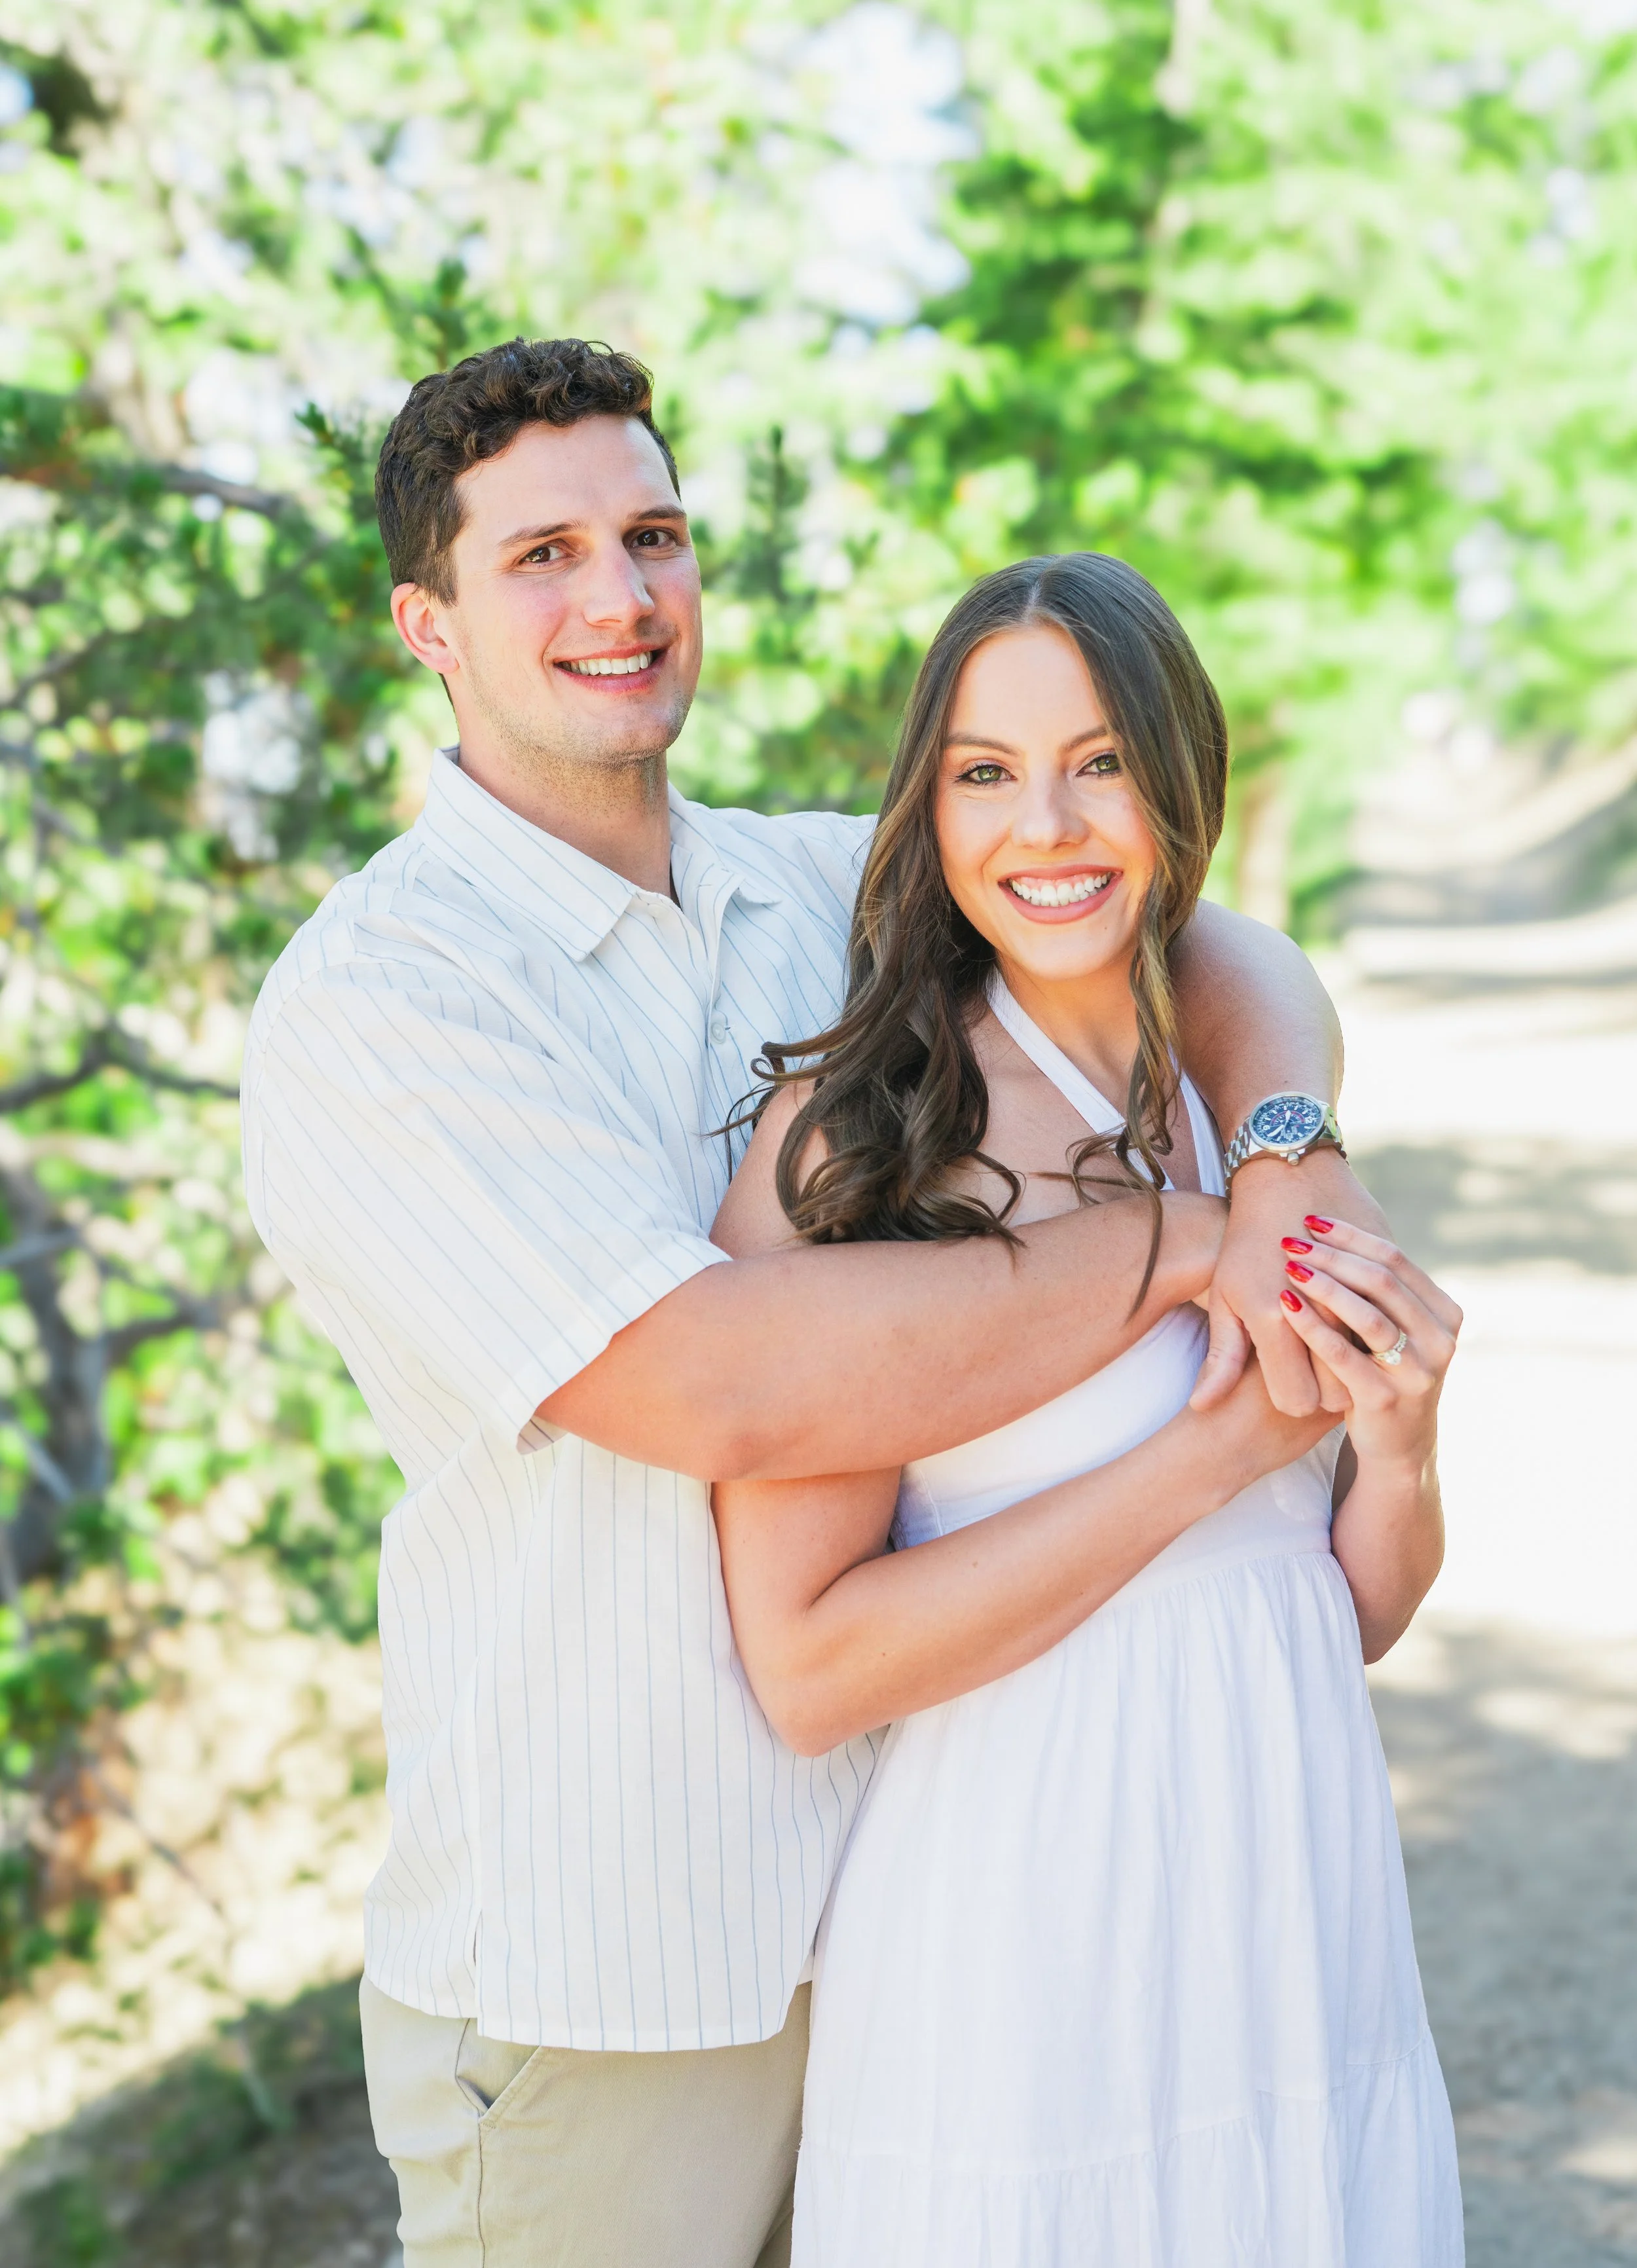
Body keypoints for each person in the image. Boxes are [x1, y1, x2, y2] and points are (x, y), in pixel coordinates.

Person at [240, 335, 1393, 2268]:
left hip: (916, 1913)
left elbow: (1191, 934)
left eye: (652, 534)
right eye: (540, 558)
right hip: (619, 1980)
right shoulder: (385, 1006)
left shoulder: (804, 891)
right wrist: (1186, 1252)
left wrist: (1282, 1146)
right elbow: (720, 1388)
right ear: (424, 624)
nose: (616, 597)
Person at [712, 552, 1464, 2267]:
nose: (1043, 826)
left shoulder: (1234, 1104)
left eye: (1098, 761)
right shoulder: (858, 1146)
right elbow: (810, 1667)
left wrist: (1400, 1440)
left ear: (1178, 777)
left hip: (1294, 1894)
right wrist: (1209, 1454)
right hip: (1024, 1925)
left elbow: (1335, 1607)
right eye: (984, 771)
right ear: (927, 802)